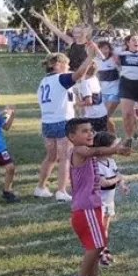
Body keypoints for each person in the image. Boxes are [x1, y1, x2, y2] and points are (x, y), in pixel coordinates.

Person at [65, 118, 132, 276]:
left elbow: (98, 151)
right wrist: (116, 149)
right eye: (84, 131)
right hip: (85, 208)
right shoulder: (79, 150)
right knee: (96, 245)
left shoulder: (88, 152)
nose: (90, 133)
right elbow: (97, 150)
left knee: (96, 246)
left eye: (91, 130)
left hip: (92, 206)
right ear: (71, 136)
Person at [35, 45, 99, 201]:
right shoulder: (60, 78)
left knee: (51, 157)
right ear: (57, 65)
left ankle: (40, 187)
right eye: (66, 64)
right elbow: (78, 74)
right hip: (62, 122)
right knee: (64, 157)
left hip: (47, 123)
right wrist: (90, 56)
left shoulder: (43, 82)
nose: (68, 66)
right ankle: (61, 191)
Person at [94, 131, 128, 266]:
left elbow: (118, 174)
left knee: (105, 228)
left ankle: (104, 249)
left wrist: (122, 184)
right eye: (114, 145)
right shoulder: (96, 164)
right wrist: (118, 179)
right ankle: (98, 253)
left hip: (109, 201)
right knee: (99, 229)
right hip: (99, 203)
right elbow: (104, 183)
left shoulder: (111, 161)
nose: (118, 147)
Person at [95, 41, 120, 133]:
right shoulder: (95, 60)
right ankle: (113, 137)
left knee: (105, 116)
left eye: (106, 48)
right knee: (104, 117)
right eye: (101, 48)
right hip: (102, 92)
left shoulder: (114, 59)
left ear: (109, 49)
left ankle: (111, 138)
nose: (103, 51)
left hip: (115, 91)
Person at [76, 65, 109, 133]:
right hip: (102, 113)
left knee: (93, 139)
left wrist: (77, 103)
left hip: (93, 116)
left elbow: (89, 102)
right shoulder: (94, 79)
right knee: (102, 137)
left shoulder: (85, 83)